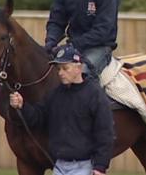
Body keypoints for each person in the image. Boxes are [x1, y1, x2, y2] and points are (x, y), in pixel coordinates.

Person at [9, 44, 114, 175]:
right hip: (59, 166)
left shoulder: (95, 95)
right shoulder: (55, 95)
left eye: (65, 68)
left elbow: (105, 133)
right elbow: (37, 117)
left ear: (79, 67)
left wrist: (100, 166)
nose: (60, 73)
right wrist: (22, 106)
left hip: (85, 166)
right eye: (59, 69)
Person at [44, 0, 119, 78]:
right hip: (72, 46)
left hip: (99, 47)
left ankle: (95, 98)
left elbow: (102, 31)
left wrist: (72, 45)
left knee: (82, 73)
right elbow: (56, 21)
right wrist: (50, 42)